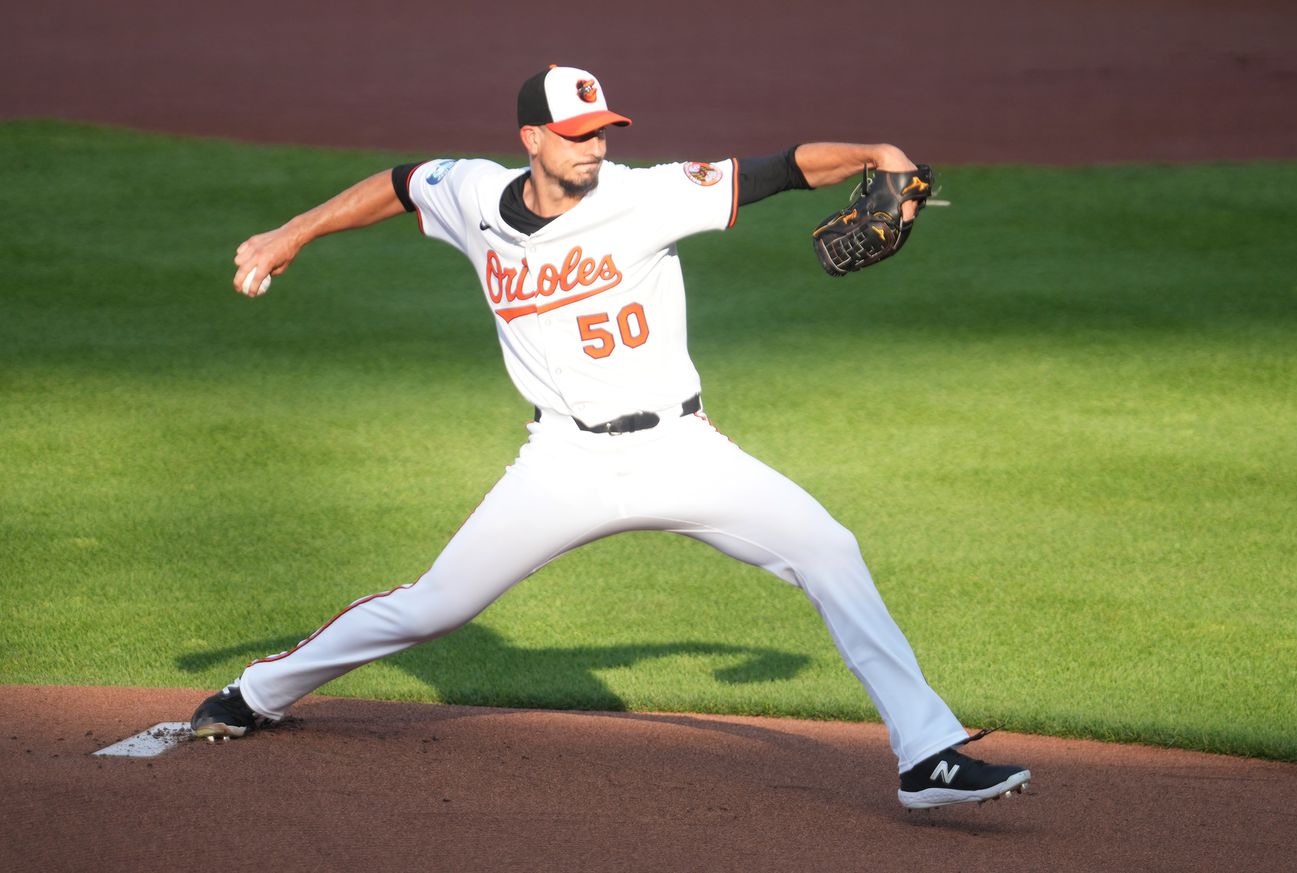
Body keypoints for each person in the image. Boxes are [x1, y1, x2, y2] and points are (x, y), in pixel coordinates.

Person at [191, 64, 1031, 810]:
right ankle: (256, 691)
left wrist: (871, 151)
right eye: (576, 134)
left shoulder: (646, 192)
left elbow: (775, 170)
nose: (594, 146)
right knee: (435, 605)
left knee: (830, 549)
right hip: (563, 462)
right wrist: (290, 232)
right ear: (532, 139)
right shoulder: (476, 194)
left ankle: (927, 754)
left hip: (682, 451)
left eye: (602, 130)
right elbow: (405, 183)